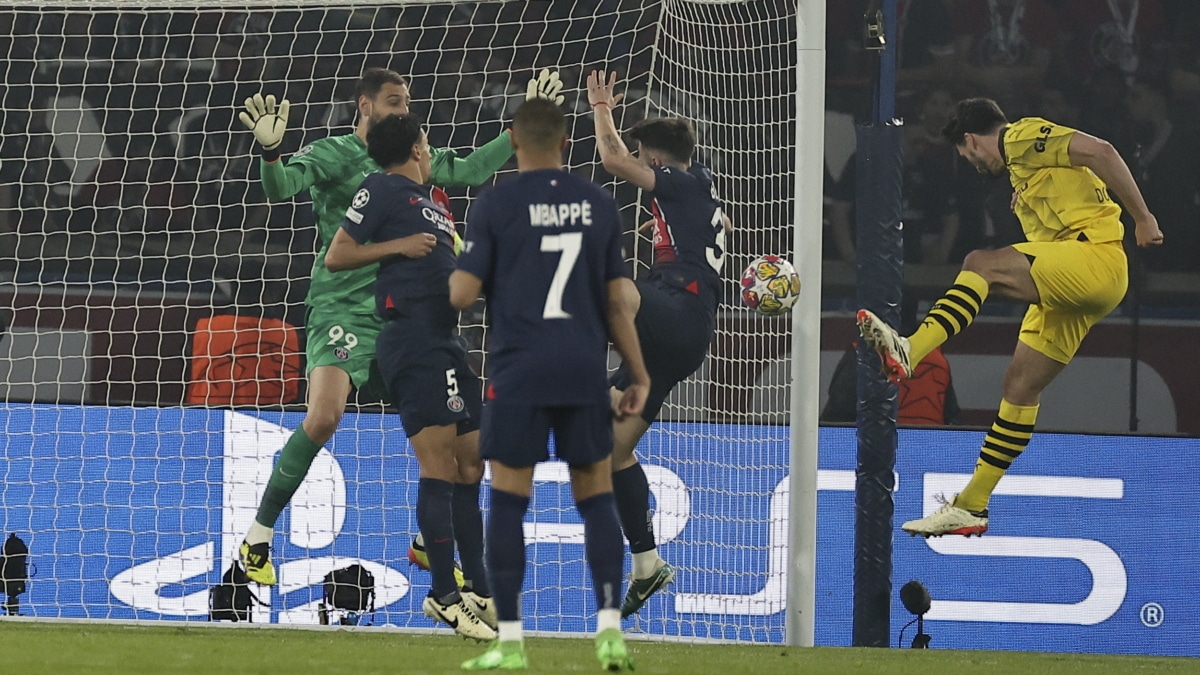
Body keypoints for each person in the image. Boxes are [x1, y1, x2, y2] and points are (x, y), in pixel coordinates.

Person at [234, 67, 563, 589]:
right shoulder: (332, 155)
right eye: (393, 101)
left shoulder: (414, 161)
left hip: (404, 320)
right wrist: (270, 153)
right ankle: (256, 538)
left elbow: (475, 167)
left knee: (457, 447)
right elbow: (280, 187)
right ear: (363, 105)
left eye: (407, 102)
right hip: (342, 310)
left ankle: (429, 543)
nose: (403, 110)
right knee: (324, 417)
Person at [857, 97, 1163, 538]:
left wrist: (1144, 218)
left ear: (972, 140)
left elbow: (1103, 152)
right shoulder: (1025, 171)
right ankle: (973, 505)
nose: (972, 164)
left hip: (1095, 259)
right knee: (1020, 387)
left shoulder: (1018, 138)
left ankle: (911, 349)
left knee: (981, 263)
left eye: (966, 155)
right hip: (1076, 279)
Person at [450, 98, 648, 671]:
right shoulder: (597, 204)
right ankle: (610, 633)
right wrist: (637, 371)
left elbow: (462, 295)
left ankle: (510, 644)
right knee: (596, 500)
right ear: (566, 142)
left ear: (513, 140)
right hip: (583, 372)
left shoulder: (494, 204)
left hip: (518, 373)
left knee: (509, 504)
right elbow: (616, 302)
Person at [322, 113, 494, 641]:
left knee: (471, 465)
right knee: (440, 464)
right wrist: (397, 247)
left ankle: (481, 594)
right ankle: (444, 595)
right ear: (419, 147)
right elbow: (338, 255)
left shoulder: (434, 206)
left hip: (448, 341)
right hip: (413, 342)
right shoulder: (381, 188)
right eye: (426, 140)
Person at [586, 70, 728, 618]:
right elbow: (714, 231)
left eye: (646, 157)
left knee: (611, 286)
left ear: (658, 161)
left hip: (680, 312)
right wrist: (669, 238)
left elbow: (614, 160)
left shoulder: (683, 182)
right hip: (679, 341)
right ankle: (648, 566)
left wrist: (602, 108)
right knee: (611, 452)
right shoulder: (704, 191)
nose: (641, 164)